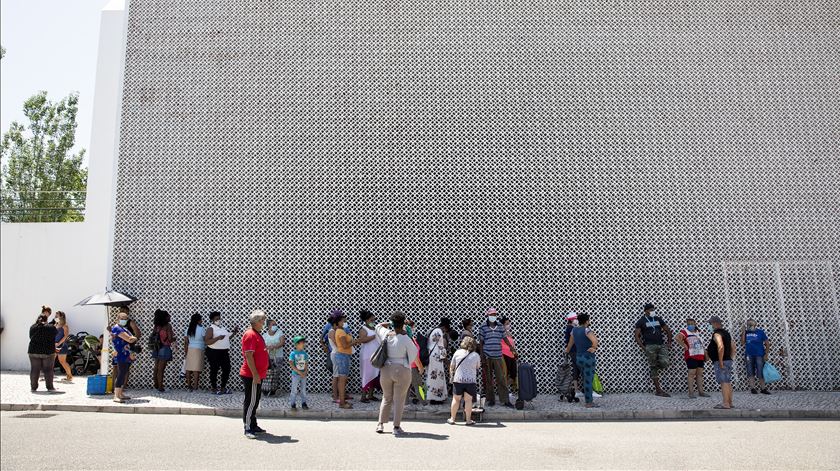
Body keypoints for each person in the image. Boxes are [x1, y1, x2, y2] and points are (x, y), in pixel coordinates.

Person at [375, 312, 418, 436]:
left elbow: (378, 325)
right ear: (403, 323)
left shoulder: (386, 334)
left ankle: (380, 424)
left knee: (386, 397)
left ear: (393, 323)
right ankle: (396, 426)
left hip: (386, 369)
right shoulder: (405, 338)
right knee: (399, 399)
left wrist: (390, 323)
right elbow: (413, 354)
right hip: (401, 369)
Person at [634, 303, 673, 397]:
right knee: (653, 366)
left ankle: (654, 367)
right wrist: (643, 347)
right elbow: (636, 336)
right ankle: (658, 390)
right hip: (650, 346)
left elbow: (667, 330)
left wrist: (669, 342)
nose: (653, 311)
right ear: (646, 311)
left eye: (653, 309)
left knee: (665, 362)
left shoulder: (658, 319)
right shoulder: (641, 321)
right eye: (651, 309)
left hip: (661, 344)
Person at [241, 310, 270, 439]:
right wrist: (255, 375)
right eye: (262, 320)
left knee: (255, 400)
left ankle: (253, 424)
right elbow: (248, 355)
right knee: (251, 401)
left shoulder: (257, 334)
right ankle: (248, 427)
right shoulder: (250, 334)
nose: (263, 323)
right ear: (256, 322)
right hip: (252, 375)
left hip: (258, 374)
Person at [478, 308, 513, 408]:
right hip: (487, 356)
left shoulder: (500, 326)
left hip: (498, 356)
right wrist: (482, 357)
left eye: (495, 314)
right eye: (491, 314)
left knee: (501, 379)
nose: (493, 316)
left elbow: (504, 338)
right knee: (489, 380)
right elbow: (481, 343)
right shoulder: (483, 327)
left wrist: (511, 347)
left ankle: (505, 400)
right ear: (487, 315)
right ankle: (491, 399)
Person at [565, 313, 600, 408]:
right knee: (588, 380)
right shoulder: (587, 330)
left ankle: (587, 399)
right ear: (586, 321)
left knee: (585, 379)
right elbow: (595, 340)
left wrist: (567, 351)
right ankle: (589, 402)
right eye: (588, 320)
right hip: (588, 358)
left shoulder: (574, 330)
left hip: (579, 358)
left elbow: (569, 345)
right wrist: (593, 347)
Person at [447, 337, 481, 425]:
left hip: (458, 379)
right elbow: (478, 366)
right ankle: (468, 420)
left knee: (456, 399)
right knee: (468, 401)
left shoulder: (457, 352)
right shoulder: (476, 355)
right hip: (470, 381)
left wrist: (451, 376)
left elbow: (452, 366)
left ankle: (452, 419)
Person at [330, 310, 359, 409]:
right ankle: (342, 403)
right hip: (342, 356)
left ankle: (342, 401)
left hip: (343, 356)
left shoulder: (341, 330)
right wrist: (355, 342)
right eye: (342, 321)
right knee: (342, 379)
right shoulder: (340, 331)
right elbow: (345, 345)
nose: (344, 322)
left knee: (342, 379)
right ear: (338, 322)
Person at [205, 311, 238, 395]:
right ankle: (214, 388)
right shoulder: (210, 329)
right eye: (216, 319)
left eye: (219, 318)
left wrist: (234, 333)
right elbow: (207, 341)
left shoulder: (222, 328)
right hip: (214, 352)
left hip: (224, 351)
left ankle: (223, 387)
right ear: (212, 320)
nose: (218, 320)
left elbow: (227, 337)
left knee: (227, 369)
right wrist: (218, 338)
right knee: (214, 370)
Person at [675, 318, 709, 398]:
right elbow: (677, 338)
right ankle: (691, 393)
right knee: (691, 374)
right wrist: (684, 345)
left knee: (699, 374)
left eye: (692, 323)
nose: (691, 325)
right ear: (687, 324)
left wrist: (705, 354)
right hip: (691, 355)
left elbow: (701, 344)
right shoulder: (684, 331)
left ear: (695, 324)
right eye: (689, 323)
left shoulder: (697, 332)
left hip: (700, 355)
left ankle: (701, 392)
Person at [707, 316, 736, 409]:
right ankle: (730, 402)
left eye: (710, 324)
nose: (709, 326)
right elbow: (733, 346)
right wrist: (730, 358)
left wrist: (720, 361)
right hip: (727, 360)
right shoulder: (726, 333)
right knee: (727, 382)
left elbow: (720, 346)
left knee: (723, 382)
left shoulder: (717, 334)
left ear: (715, 323)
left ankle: (725, 403)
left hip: (721, 361)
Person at [29, 307, 58, 392]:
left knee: (34, 369)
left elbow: (30, 337)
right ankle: (50, 387)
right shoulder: (51, 327)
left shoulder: (32, 327)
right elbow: (54, 335)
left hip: (33, 350)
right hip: (48, 351)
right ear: (46, 319)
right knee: (48, 369)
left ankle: (33, 387)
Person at [111, 310, 138, 402]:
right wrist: (133, 338)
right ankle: (116, 395)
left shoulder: (123, 328)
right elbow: (130, 339)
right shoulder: (117, 328)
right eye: (122, 318)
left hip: (126, 354)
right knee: (121, 373)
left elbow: (131, 338)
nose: (124, 320)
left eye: (126, 319)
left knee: (124, 373)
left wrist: (133, 338)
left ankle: (120, 393)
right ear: (118, 319)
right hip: (121, 354)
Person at [425, 317, 451, 405]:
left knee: (432, 377)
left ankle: (432, 397)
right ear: (445, 327)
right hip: (436, 357)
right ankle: (437, 398)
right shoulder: (439, 331)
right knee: (437, 377)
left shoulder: (432, 330)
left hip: (431, 356)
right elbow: (441, 346)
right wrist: (446, 361)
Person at [357, 310, 381, 403]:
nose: (373, 321)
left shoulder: (373, 329)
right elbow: (362, 340)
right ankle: (363, 396)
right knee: (366, 375)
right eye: (371, 320)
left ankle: (371, 395)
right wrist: (375, 336)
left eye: (374, 320)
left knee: (374, 375)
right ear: (366, 320)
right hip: (367, 356)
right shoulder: (363, 329)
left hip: (374, 356)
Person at [743, 319, 771, 395]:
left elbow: (767, 343)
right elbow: (742, 342)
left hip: (759, 354)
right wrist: (743, 332)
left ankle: (763, 388)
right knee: (750, 371)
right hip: (749, 354)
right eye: (749, 325)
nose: (750, 327)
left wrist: (766, 354)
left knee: (760, 371)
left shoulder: (760, 332)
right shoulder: (746, 332)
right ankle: (753, 388)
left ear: (755, 325)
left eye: (751, 325)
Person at [115, 306, 141, 388]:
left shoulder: (130, 322)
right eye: (122, 311)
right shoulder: (117, 325)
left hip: (128, 348)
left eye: (125, 311)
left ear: (128, 313)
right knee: (116, 366)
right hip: (118, 348)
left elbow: (138, 333)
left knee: (126, 367)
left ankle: (124, 385)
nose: (123, 313)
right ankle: (116, 386)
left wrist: (132, 341)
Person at [150, 309, 175, 392]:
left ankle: (156, 384)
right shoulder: (168, 326)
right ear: (165, 317)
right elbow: (170, 339)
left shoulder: (156, 326)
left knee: (156, 367)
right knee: (161, 369)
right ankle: (161, 387)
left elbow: (153, 335)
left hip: (156, 347)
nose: (170, 317)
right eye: (168, 315)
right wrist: (175, 338)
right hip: (164, 347)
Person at [405, 320, 426, 406]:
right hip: (413, 367)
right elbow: (414, 356)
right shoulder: (409, 340)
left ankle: (405, 402)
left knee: (406, 386)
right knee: (418, 385)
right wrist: (420, 367)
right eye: (413, 327)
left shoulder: (409, 339)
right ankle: (424, 402)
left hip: (407, 366)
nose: (414, 329)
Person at [262, 318, 286, 396]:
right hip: (268, 357)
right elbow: (262, 346)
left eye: (275, 324)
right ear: (268, 326)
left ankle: (274, 390)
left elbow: (282, 342)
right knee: (268, 374)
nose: (275, 326)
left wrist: (274, 346)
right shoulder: (264, 335)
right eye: (273, 324)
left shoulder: (279, 333)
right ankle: (267, 389)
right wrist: (267, 347)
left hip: (278, 357)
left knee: (276, 373)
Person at [183, 313, 206, 392]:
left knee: (188, 368)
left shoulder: (188, 329)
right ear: (198, 320)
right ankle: (195, 386)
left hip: (190, 348)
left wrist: (186, 352)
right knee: (196, 369)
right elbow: (205, 339)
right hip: (199, 349)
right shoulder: (202, 329)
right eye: (201, 319)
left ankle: (189, 386)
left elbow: (186, 342)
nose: (202, 321)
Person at [288, 335, 309, 410]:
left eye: (304, 342)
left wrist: (305, 371)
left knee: (303, 390)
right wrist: (299, 372)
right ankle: (293, 404)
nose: (303, 344)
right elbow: (291, 363)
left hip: (303, 375)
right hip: (296, 375)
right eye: (302, 342)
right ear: (296, 344)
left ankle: (304, 403)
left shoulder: (305, 354)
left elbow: (306, 363)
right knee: (294, 390)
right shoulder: (293, 353)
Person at [53, 311, 73, 382]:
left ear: (61, 317)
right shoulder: (55, 325)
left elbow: (65, 336)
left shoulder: (65, 326)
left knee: (62, 362)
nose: (55, 317)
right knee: (51, 360)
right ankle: (49, 376)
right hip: (54, 345)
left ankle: (69, 376)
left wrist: (58, 343)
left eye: (57, 315)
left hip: (62, 345)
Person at [500, 316, 518, 392]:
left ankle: (507, 388)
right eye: (506, 324)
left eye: (509, 323)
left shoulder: (509, 333)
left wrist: (515, 352)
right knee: (505, 373)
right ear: (503, 325)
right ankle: (504, 390)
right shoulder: (501, 333)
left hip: (511, 355)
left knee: (513, 373)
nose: (508, 325)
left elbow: (512, 344)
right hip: (504, 355)